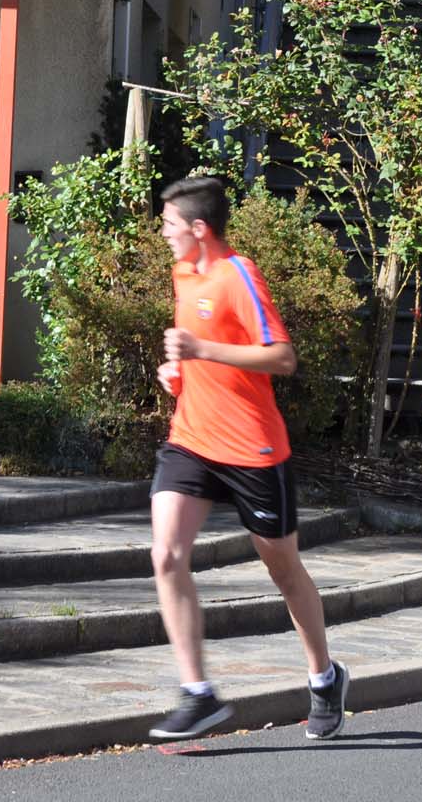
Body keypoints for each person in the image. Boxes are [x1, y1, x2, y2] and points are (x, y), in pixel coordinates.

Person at [147, 176, 348, 741]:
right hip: (191, 438)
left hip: (253, 448)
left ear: (199, 229)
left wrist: (201, 349)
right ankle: (198, 693)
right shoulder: (184, 272)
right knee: (166, 553)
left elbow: (281, 357)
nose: (163, 235)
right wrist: (178, 372)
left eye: (169, 226)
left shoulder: (239, 275)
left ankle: (324, 677)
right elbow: (195, 350)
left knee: (283, 570)